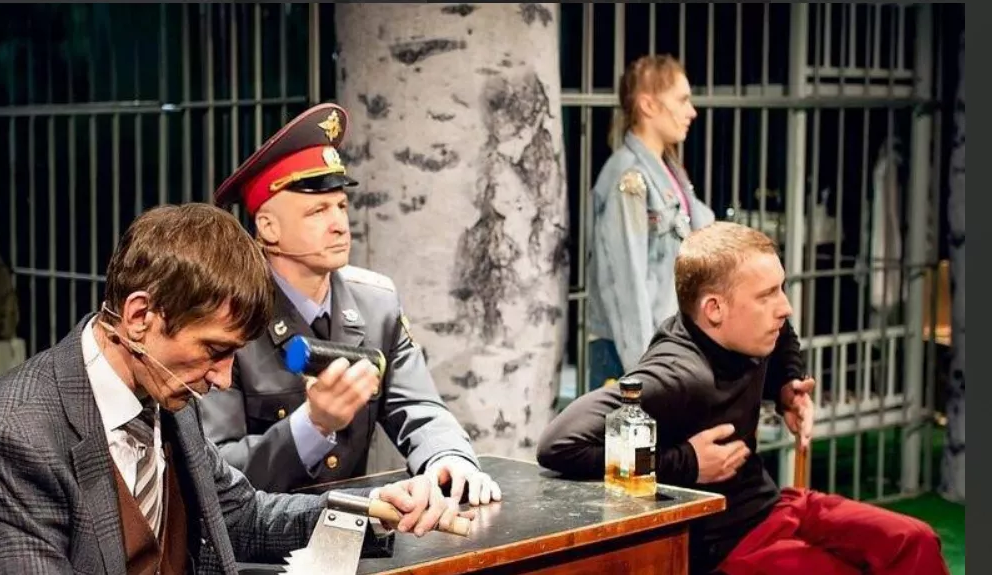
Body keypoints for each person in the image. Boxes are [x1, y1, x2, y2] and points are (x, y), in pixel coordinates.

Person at [0, 203, 471, 575]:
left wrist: (372, 509)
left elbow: (241, 516)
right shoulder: (14, 435)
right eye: (214, 350)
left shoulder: (166, 392)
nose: (222, 378)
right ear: (140, 317)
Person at [537, 222, 947, 575]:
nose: (785, 307)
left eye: (781, 288)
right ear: (714, 309)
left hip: (773, 505)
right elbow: (559, 444)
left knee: (915, 540)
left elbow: (785, 335)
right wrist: (687, 463)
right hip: (726, 544)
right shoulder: (677, 376)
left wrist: (787, 384)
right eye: (767, 295)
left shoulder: (747, 331)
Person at [202, 103, 501, 507]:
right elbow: (216, 471)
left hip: (357, 526)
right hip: (259, 534)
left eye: (341, 206)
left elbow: (419, 407)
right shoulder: (229, 318)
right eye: (317, 211)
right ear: (268, 227)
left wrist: (447, 456)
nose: (340, 224)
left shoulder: (376, 303)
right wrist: (311, 426)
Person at [586, 53, 716, 391]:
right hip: (633, 356)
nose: (692, 111)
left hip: (664, 351)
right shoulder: (629, 177)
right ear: (648, 105)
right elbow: (626, 285)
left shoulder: (668, 170)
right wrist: (647, 375)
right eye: (682, 100)